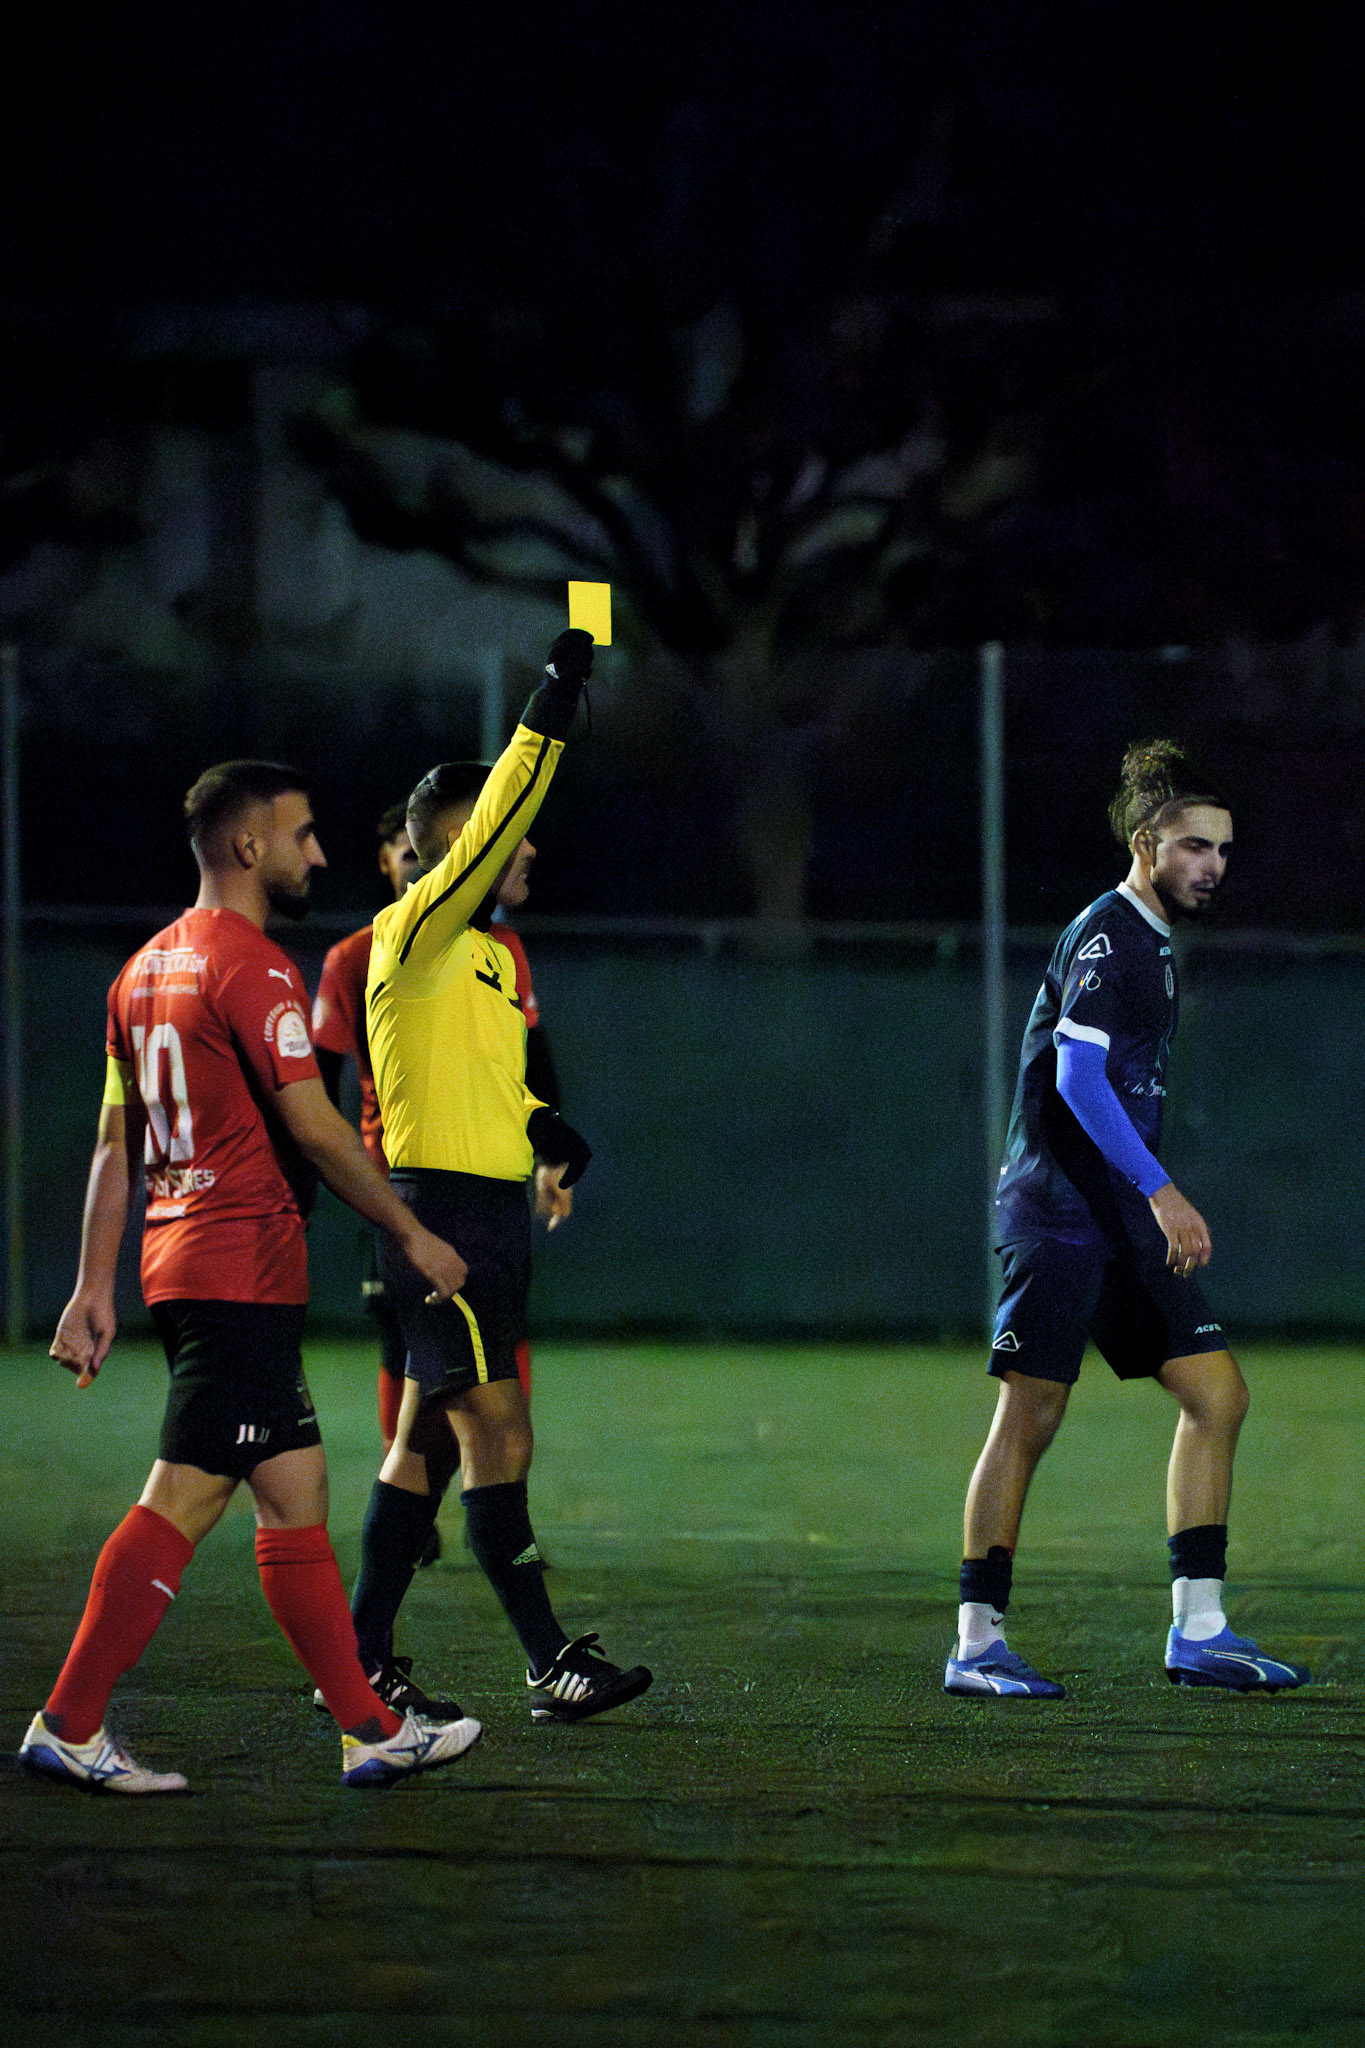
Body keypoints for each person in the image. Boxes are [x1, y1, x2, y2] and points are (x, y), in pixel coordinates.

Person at [20, 762, 484, 1793]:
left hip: (186, 1262)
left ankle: (368, 1725)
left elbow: (115, 1142)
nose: (317, 851)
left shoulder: (139, 972)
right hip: (235, 1265)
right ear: (247, 847)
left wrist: (94, 1288)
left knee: (294, 1488)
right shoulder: (255, 965)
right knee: (184, 1496)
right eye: (303, 833)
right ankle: (70, 1717)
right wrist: (411, 1230)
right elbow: (317, 1125)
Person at [946, 739, 1309, 1700]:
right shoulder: (1112, 936)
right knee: (1031, 1414)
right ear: (1147, 844)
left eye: (1222, 850)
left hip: (1115, 1218)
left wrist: (1142, 1197)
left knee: (1216, 1396)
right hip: (1059, 1216)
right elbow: (1074, 1076)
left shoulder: (1150, 940)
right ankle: (976, 1643)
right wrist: (1160, 1189)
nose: (1213, 866)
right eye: (1195, 847)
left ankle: (1199, 1629)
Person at [346, 629, 652, 1723]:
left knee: (424, 1437)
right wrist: (553, 702)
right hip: (441, 1213)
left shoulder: (478, 953)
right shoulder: (420, 927)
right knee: (498, 1427)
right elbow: (504, 813)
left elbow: (488, 1082)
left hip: (486, 1208)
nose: (516, 853)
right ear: (456, 845)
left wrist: (545, 1127)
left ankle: (361, 1653)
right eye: (494, 837)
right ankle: (548, 1658)